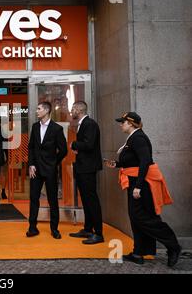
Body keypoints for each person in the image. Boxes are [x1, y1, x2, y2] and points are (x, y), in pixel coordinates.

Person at [104, 112, 182, 267]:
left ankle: (173, 246)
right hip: (135, 181)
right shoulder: (133, 138)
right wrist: (118, 164)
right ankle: (138, 253)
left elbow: (145, 161)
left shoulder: (138, 138)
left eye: (123, 122)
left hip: (141, 183)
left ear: (131, 124)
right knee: (136, 217)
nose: (121, 125)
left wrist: (138, 186)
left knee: (143, 217)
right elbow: (133, 160)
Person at [27, 102, 67, 239]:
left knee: (52, 200)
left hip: (50, 169)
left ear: (46, 110)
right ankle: (32, 227)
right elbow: (31, 147)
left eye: (39, 109)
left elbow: (63, 150)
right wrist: (31, 164)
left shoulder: (57, 129)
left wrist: (54, 162)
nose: (36, 111)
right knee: (33, 198)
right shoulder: (35, 126)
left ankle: (54, 229)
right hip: (35, 170)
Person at [69, 101, 104, 245]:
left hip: (88, 168)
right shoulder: (84, 124)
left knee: (91, 200)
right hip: (83, 167)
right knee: (86, 200)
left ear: (79, 109)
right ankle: (88, 229)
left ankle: (98, 233)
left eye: (73, 109)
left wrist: (74, 145)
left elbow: (89, 144)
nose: (71, 111)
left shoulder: (89, 124)